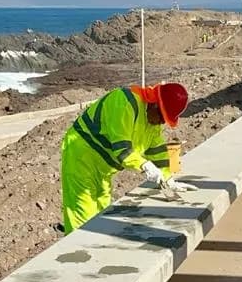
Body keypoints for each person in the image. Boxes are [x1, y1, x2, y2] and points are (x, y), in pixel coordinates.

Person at [60, 82, 195, 233]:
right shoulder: (124, 103)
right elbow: (122, 150)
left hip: (104, 167)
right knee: (82, 212)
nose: (161, 122)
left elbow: (157, 151)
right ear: (154, 104)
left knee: (101, 211)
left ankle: (97, 250)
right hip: (82, 156)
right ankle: (78, 250)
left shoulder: (151, 121)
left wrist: (168, 178)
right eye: (162, 116)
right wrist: (145, 165)